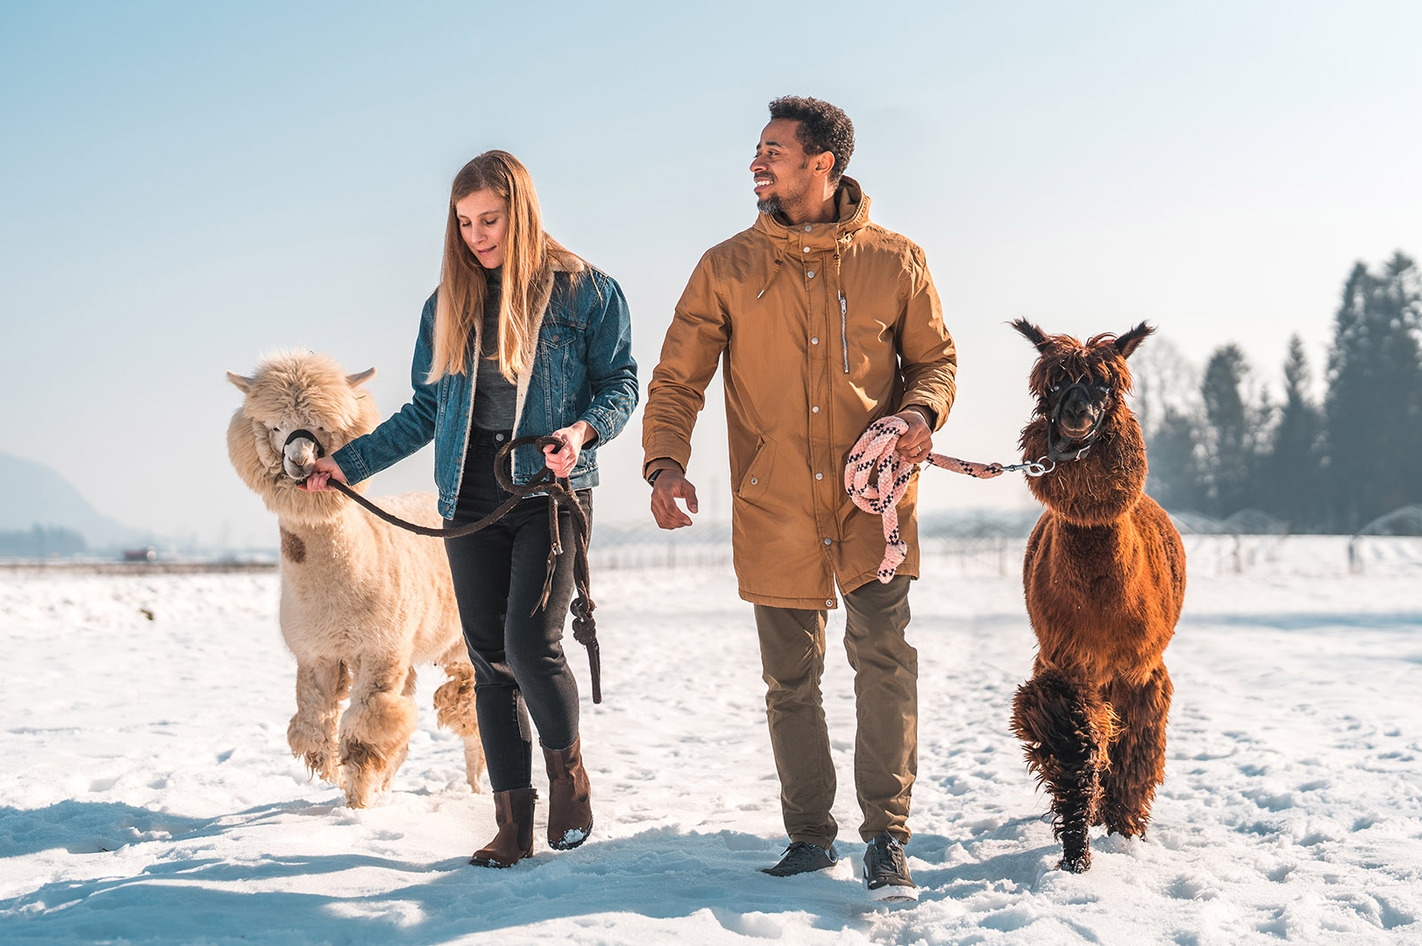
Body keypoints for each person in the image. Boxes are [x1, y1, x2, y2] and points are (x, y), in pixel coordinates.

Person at [642, 96, 956, 901]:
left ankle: (886, 837)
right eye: (758, 149)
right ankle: (810, 836)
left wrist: (920, 414)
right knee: (791, 680)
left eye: (774, 150)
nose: (757, 162)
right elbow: (679, 378)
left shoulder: (898, 261)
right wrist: (664, 464)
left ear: (824, 162)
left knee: (884, 660)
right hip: (773, 505)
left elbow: (934, 361)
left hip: (874, 504)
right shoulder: (726, 266)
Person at [302, 150, 638, 868]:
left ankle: (568, 775)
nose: (478, 235)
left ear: (520, 212)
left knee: (529, 644)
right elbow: (428, 409)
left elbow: (620, 384)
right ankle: (513, 826)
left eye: (490, 219)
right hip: (468, 495)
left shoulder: (587, 293)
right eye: (464, 223)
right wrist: (347, 463)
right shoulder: (445, 303)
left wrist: (580, 432)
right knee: (488, 660)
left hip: (549, 490)